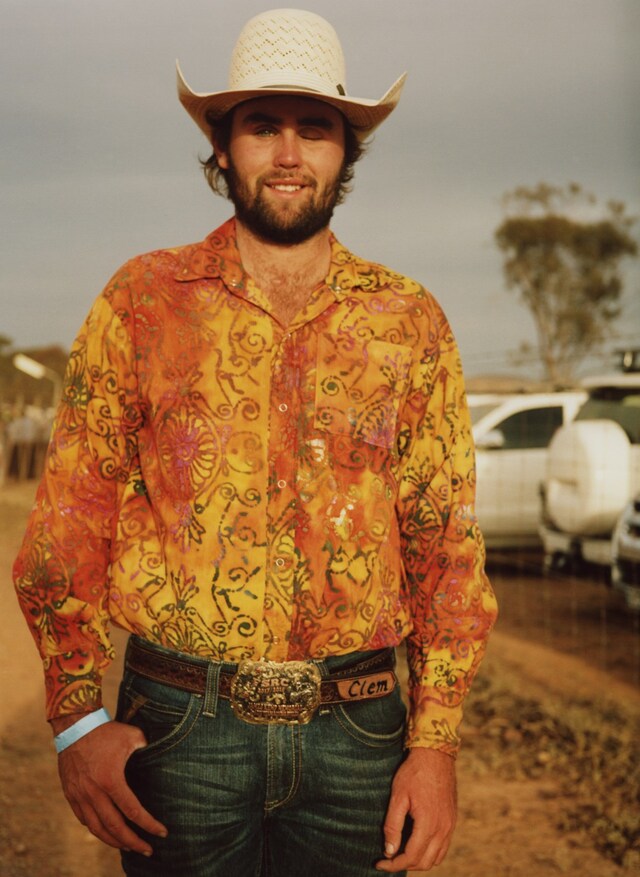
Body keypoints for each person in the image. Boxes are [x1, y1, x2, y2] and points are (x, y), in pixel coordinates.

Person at [13, 9, 497, 876]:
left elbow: (445, 544)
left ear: (345, 151)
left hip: (359, 731)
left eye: (314, 129)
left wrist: (436, 743)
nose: (286, 153)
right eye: (261, 126)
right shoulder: (143, 300)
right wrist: (79, 718)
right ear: (222, 145)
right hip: (179, 725)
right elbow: (69, 520)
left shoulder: (409, 320)